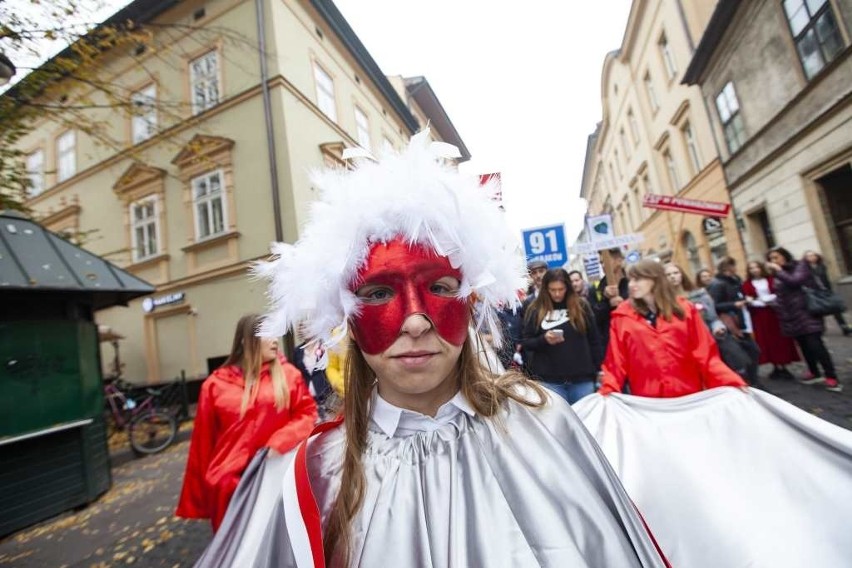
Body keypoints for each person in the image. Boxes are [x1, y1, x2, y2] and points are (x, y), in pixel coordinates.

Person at [196, 131, 670, 567]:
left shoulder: (545, 423)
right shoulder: (315, 474)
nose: (417, 321)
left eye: (441, 287)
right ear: (347, 318)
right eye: (379, 293)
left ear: (472, 302)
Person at [176, 314, 318, 530]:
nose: (274, 340)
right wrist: (200, 498)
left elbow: (307, 413)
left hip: (274, 478)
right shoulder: (214, 386)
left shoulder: (288, 375)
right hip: (229, 487)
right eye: (267, 334)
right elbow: (202, 445)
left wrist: (278, 443)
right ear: (246, 340)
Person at [599, 260, 746, 398]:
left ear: (655, 280)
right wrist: (607, 390)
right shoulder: (622, 317)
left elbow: (706, 355)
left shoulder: (685, 310)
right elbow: (616, 362)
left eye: (637, 279)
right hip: (649, 400)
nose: (631, 285)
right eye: (630, 279)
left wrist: (730, 381)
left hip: (688, 395)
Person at [521, 268, 603, 404]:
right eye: (552, 290)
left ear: (568, 288)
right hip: (550, 380)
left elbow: (594, 340)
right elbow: (526, 342)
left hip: (582, 378)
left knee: (585, 422)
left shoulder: (581, 306)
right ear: (546, 289)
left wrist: (600, 369)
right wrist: (544, 339)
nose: (557, 294)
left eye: (561, 289)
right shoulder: (535, 309)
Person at [766, 247, 842, 392]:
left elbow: (795, 281)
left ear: (784, 256)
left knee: (816, 345)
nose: (774, 261)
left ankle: (831, 376)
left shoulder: (800, 266)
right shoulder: (778, 274)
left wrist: (779, 271)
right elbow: (781, 294)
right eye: (771, 259)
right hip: (791, 316)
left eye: (776, 257)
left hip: (807, 312)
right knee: (804, 346)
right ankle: (814, 372)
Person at [707, 257, 761, 386]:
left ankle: (753, 382)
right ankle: (748, 383)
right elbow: (714, 306)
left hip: (740, 321)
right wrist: (734, 304)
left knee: (753, 352)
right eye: (731, 266)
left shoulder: (735, 280)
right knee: (742, 356)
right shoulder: (717, 284)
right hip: (729, 324)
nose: (733, 269)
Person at [742, 260, 800, 379]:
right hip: (760, 315)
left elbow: (778, 293)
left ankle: (783, 365)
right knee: (767, 340)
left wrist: (769, 299)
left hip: (774, 313)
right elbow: (748, 299)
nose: (754, 270)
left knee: (779, 339)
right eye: (751, 268)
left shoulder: (770, 280)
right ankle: (775, 366)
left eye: (756, 267)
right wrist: (755, 302)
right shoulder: (747, 284)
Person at [804, 249, 852, 336]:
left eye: (813, 255)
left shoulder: (821, 266)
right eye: (809, 256)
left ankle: (845, 328)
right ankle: (819, 330)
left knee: (836, 310)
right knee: (819, 311)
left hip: (826, 291)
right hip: (815, 293)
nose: (811, 257)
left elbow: (824, 279)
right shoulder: (805, 269)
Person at [590, 248, 629, 349]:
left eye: (606, 261)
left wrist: (625, 304)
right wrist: (606, 301)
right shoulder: (597, 288)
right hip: (611, 344)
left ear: (619, 260)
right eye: (601, 262)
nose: (603, 266)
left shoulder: (633, 282)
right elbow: (594, 319)